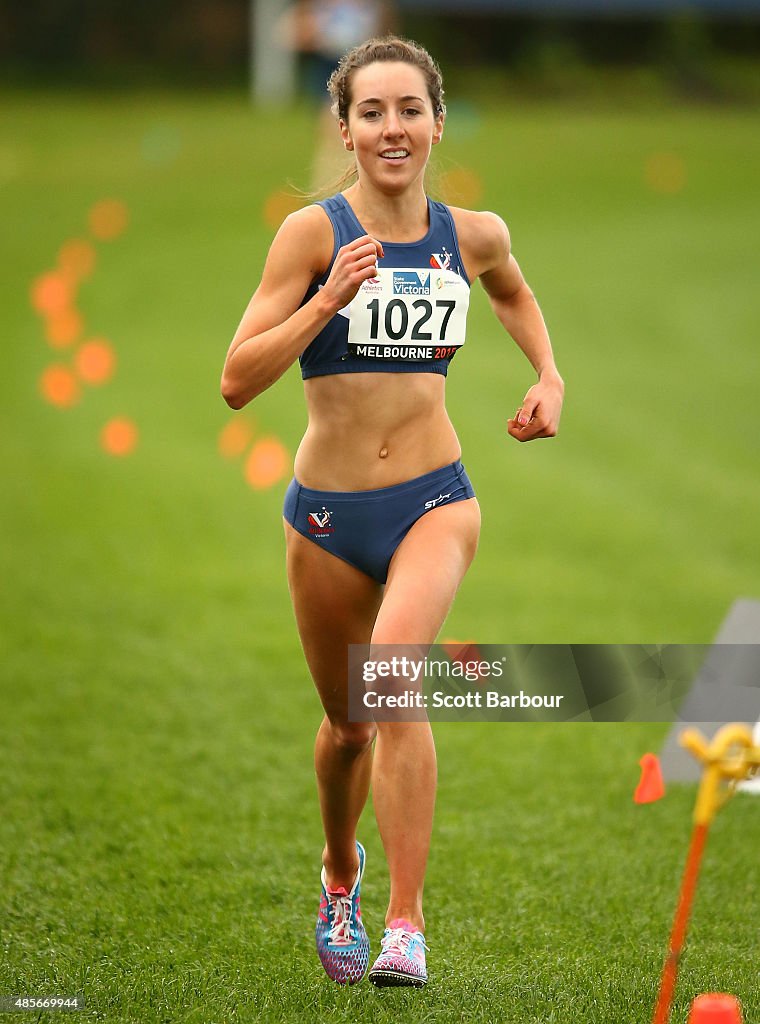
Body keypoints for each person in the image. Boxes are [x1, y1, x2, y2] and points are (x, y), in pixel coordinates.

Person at [221, 36, 564, 988]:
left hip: (436, 499)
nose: (393, 128)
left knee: (395, 682)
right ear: (345, 129)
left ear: (437, 121)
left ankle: (405, 927)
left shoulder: (473, 231)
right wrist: (326, 298)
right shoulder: (311, 236)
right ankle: (341, 873)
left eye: (409, 109)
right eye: (372, 113)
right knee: (348, 728)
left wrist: (548, 372)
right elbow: (236, 381)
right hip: (326, 518)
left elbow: (514, 288)